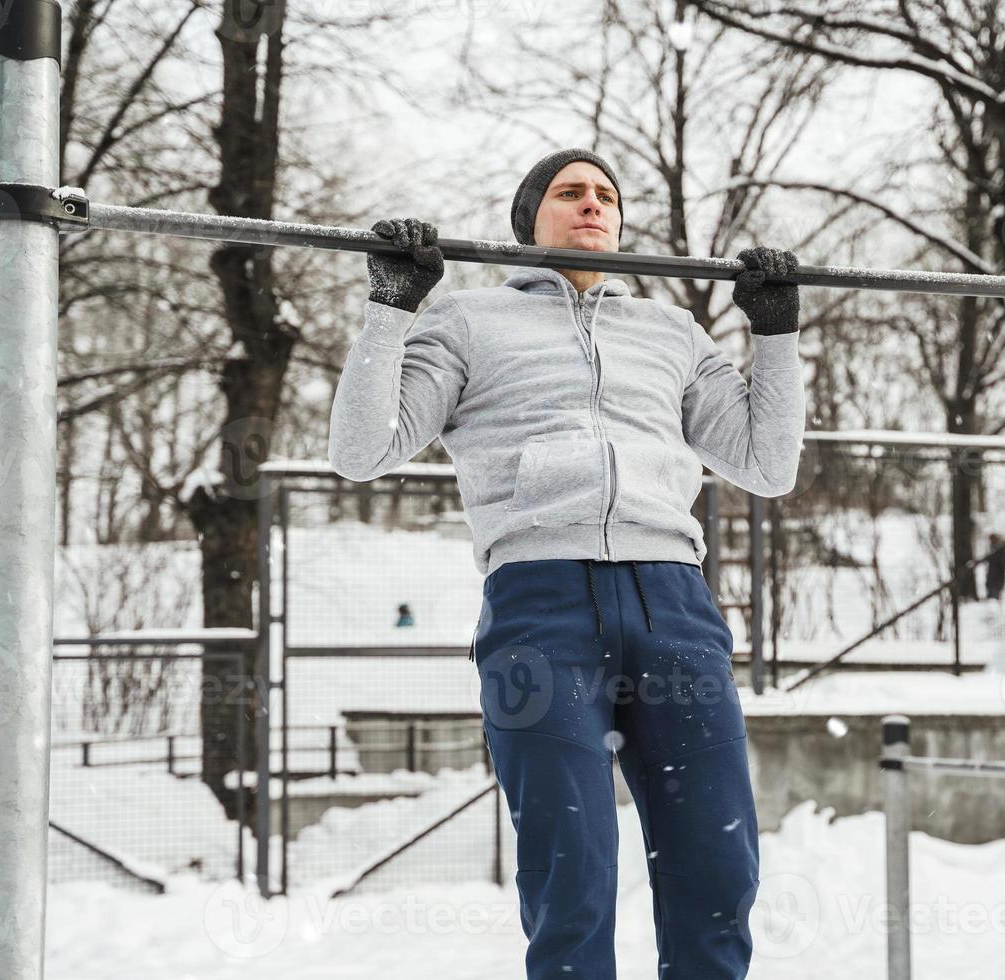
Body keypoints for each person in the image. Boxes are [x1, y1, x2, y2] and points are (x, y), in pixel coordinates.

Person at [329, 147, 805, 979]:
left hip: (675, 606)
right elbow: (363, 452)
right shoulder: (471, 321)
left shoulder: (669, 330)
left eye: (606, 196)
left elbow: (770, 466)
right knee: (571, 872)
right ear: (530, 218)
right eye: (569, 192)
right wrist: (392, 310)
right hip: (539, 609)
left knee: (719, 870)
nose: (592, 205)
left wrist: (775, 333)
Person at [984, 532, 1005, 600]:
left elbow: (1002, 562)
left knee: (994, 593)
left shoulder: (1001, 548)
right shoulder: (992, 547)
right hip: (992, 575)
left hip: (997, 575)